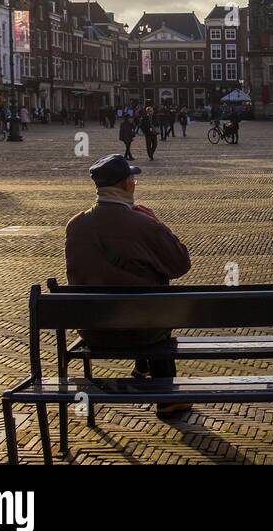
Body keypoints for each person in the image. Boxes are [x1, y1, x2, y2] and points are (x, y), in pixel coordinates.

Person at [64, 154, 192, 420]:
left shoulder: (75, 226)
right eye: (132, 178)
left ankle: (143, 366)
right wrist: (157, 223)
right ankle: (167, 398)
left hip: (94, 330)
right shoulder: (142, 223)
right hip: (143, 332)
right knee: (155, 304)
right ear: (127, 185)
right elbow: (180, 264)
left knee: (140, 299)